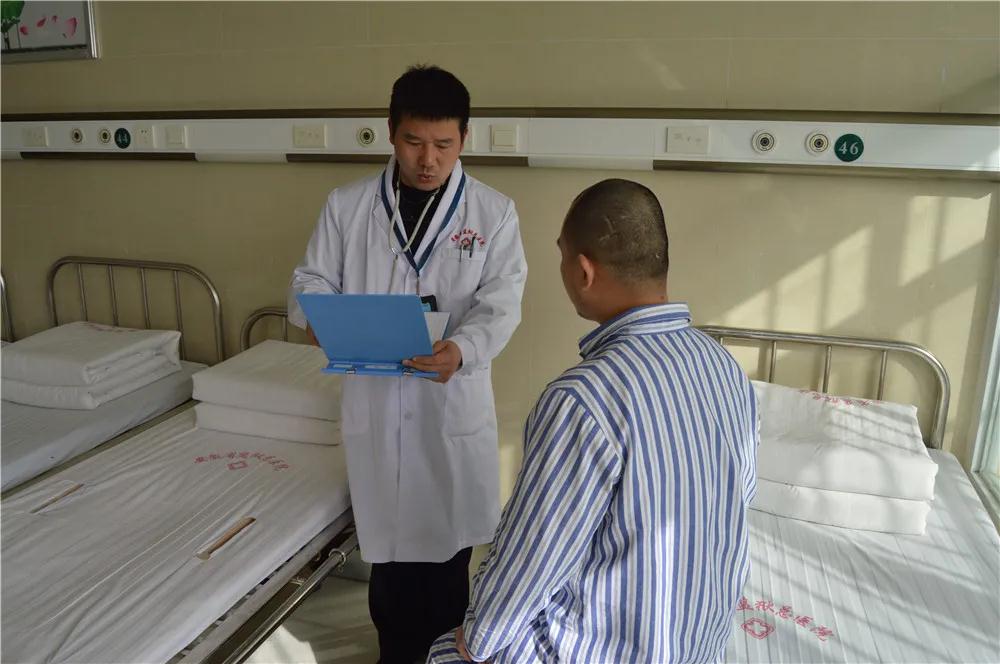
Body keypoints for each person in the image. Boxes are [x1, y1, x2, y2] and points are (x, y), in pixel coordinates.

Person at [428, 179, 758, 663]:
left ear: (583, 271)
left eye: (562, 256)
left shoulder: (583, 398)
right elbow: (740, 497)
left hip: (601, 651)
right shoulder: (723, 366)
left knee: (446, 650)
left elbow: (534, 556)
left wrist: (479, 635)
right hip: (697, 645)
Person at [288, 65, 528, 663]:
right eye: (414, 142)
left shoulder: (493, 213)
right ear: (391, 132)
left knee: (447, 572)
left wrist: (462, 349)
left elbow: (501, 304)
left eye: (444, 144)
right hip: (377, 401)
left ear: (465, 137)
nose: (428, 160)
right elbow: (310, 280)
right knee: (389, 574)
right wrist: (320, 318)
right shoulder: (347, 206)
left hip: (450, 401)